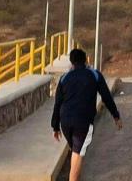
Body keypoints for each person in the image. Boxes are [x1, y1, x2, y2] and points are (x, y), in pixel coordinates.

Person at [52, 48, 122, 181]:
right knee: (78, 153)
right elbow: (106, 97)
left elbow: (57, 103)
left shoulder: (64, 78)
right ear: (85, 60)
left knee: (76, 152)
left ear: (71, 62)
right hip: (83, 121)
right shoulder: (94, 75)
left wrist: (55, 126)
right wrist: (116, 116)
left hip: (65, 121)